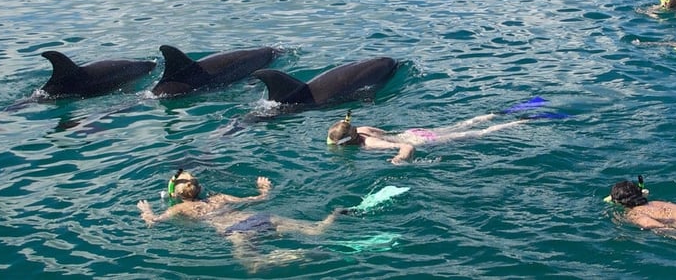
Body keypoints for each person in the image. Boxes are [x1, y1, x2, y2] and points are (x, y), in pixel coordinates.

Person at [137, 169, 343, 272]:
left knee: (253, 265)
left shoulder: (181, 208)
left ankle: (297, 255)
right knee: (317, 230)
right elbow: (258, 199)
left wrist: (146, 210)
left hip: (237, 230)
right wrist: (264, 189)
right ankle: (335, 214)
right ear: (199, 188)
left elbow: (154, 222)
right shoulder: (220, 197)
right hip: (259, 218)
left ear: (175, 194)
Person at [327, 109, 529, 164]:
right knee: (463, 124)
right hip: (414, 131)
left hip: (421, 140)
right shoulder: (362, 129)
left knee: (478, 134)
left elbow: (407, 148)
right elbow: (390, 134)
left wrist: (399, 159)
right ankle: (495, 114)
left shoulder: (368, 143)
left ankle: (520, 122)